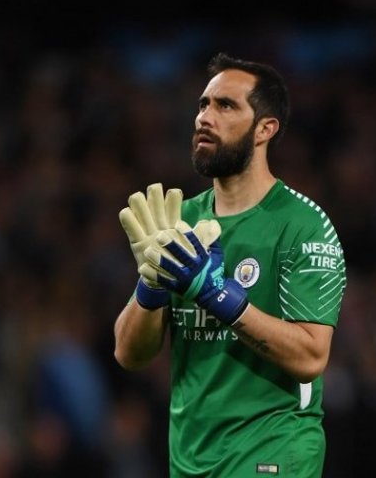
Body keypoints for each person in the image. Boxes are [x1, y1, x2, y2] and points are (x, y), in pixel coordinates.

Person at [114, 52, 347, 478]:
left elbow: (311, 355)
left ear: (265, 129)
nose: (204, 117)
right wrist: (149, 287)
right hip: (190, 457)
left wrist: (214, 294)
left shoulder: (303, 226)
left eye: (225, 106)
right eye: (203, 104)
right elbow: (129, 353)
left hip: (273, 450)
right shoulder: (180, 220)